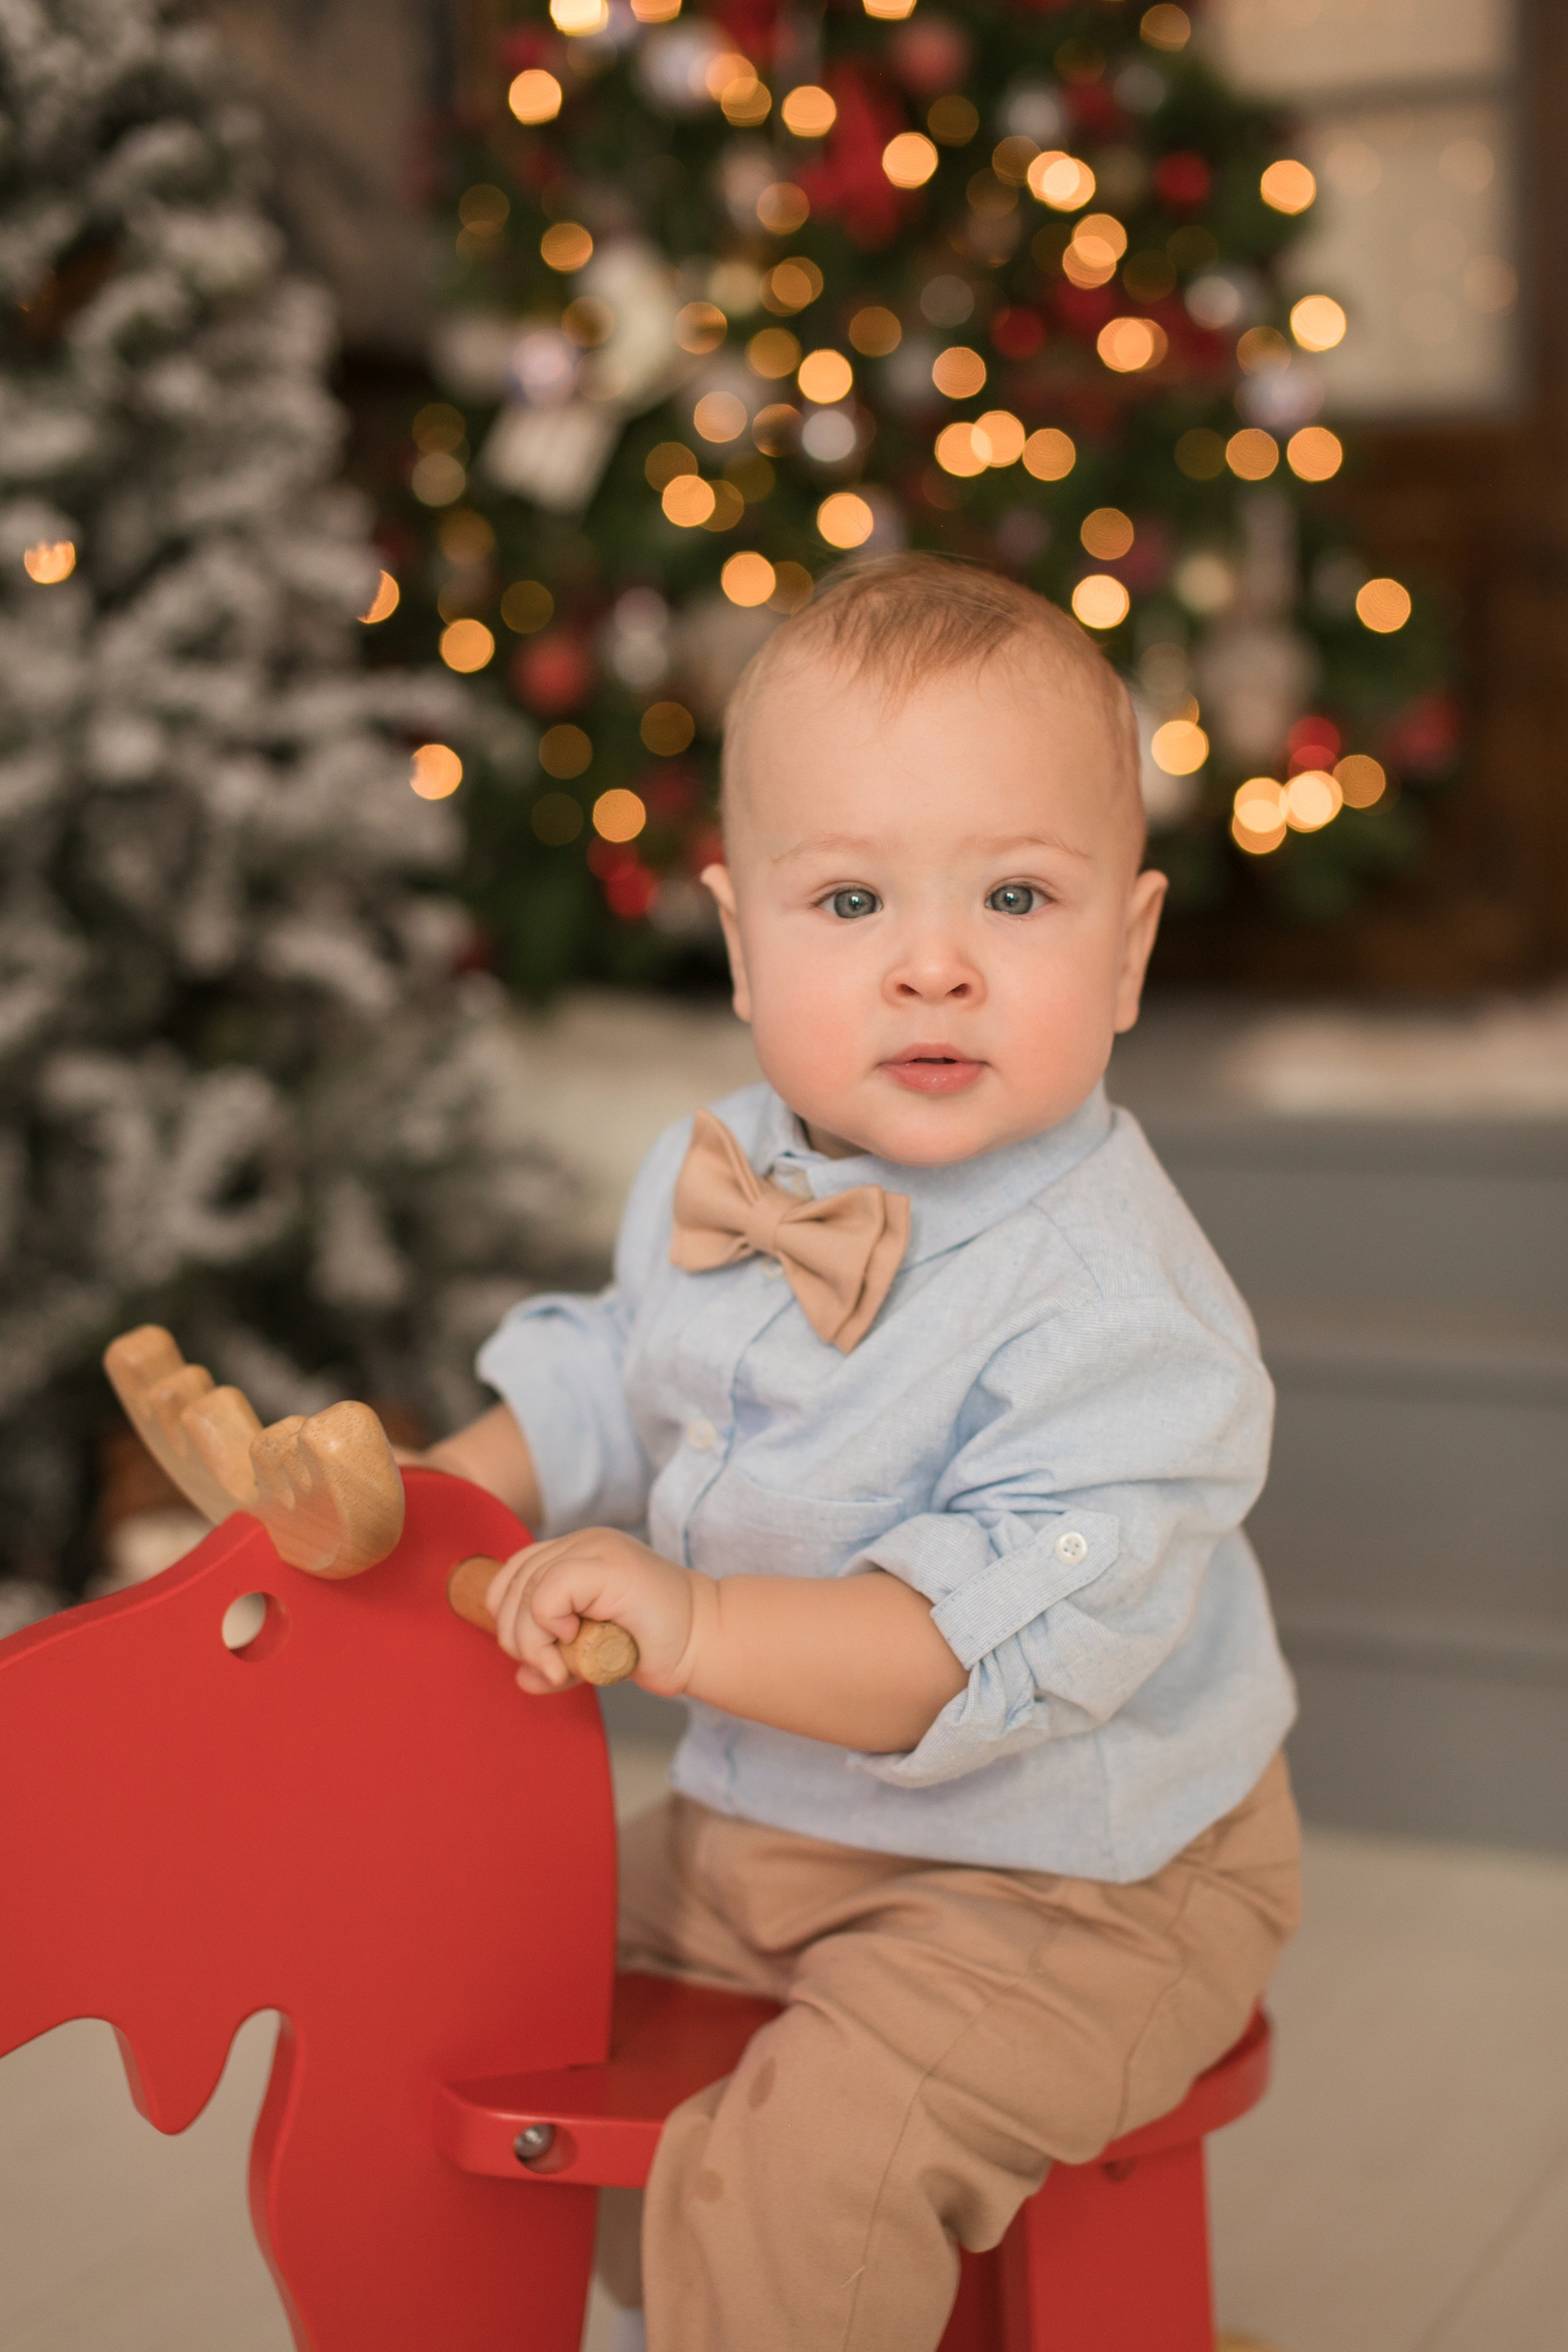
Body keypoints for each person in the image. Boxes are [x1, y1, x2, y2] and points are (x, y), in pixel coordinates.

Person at [423, 554, 1302, 2352]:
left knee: (804, 2182)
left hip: (1067, 1881)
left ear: (1127, 952)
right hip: (771, 1822)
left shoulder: (1121, 1313)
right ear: (740, 941)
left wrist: (685, 1624)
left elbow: (957, 1650)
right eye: (846, 899)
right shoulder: (742, 1166)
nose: (931, 963)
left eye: (1014, 894)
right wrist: (445, 1492)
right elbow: (618, 1374)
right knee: (472, 1977)